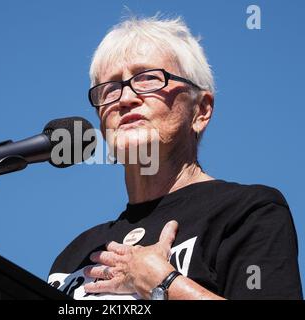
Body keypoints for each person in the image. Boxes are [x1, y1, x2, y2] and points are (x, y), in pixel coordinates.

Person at [47, 16, 303, 300]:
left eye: (148, 78)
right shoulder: (74, 257)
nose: (125, 99)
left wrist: (164, 283)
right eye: (110, 88)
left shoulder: (248, 212)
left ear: (201, 110)